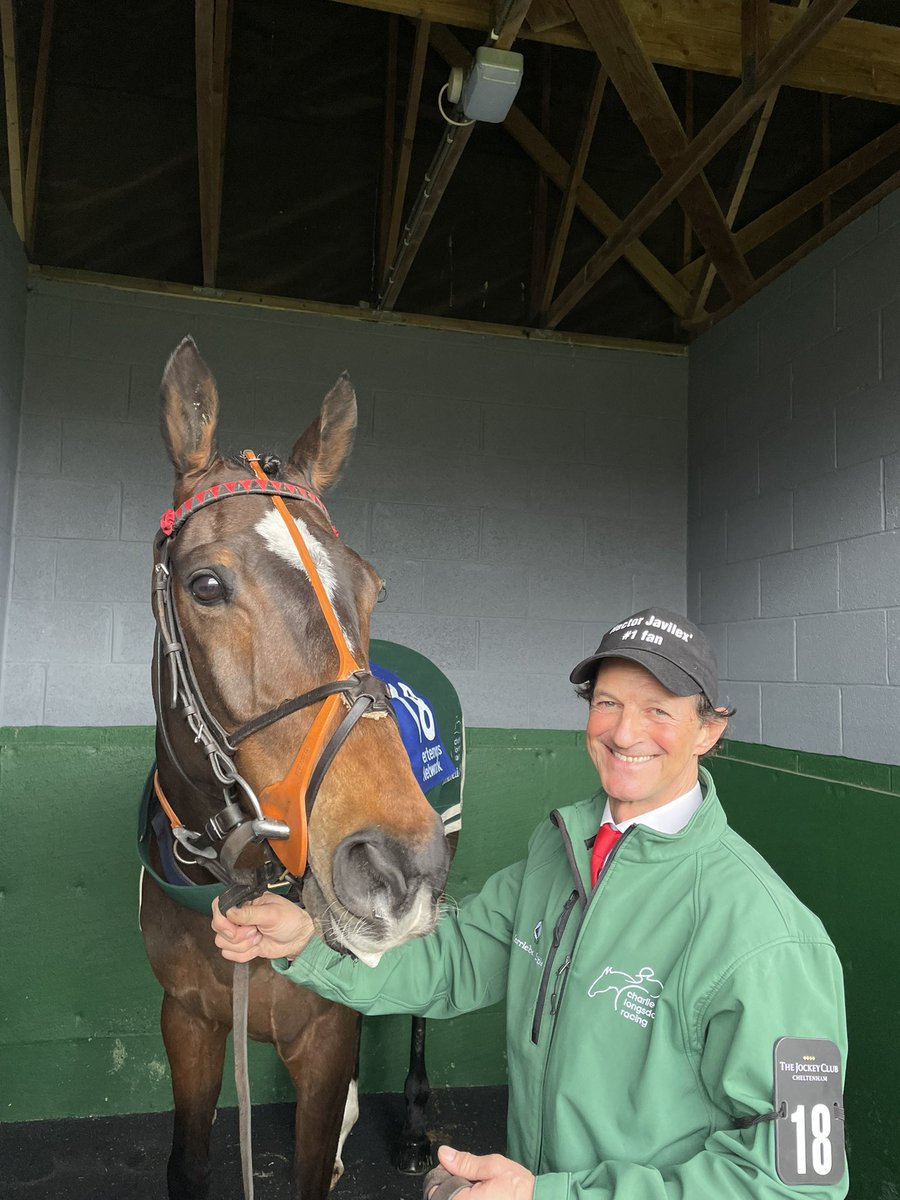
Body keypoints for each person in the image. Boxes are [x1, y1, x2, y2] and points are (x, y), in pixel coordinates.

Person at [213, 607, 848, 1200]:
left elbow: (798, 1183)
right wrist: (308, 938)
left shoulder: (770, 935)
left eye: (659, 711)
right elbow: (452, 961)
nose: (626, 731)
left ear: (709, 730)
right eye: (607, 703)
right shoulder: (561, 852)